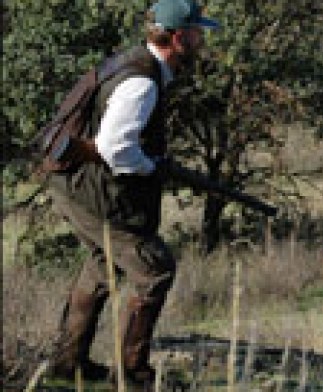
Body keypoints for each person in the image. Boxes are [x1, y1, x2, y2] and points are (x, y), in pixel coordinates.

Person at [47, 0, 219, 386]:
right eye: (196, 32)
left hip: (76, 182)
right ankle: (131, 375)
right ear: (177, 37)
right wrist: (150, 167)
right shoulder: (142, 82)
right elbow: (115, 148)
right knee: (154, 270)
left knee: (101, 264)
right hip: (89, 188)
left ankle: (67, 364)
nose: (201, 38)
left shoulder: (137, 63)